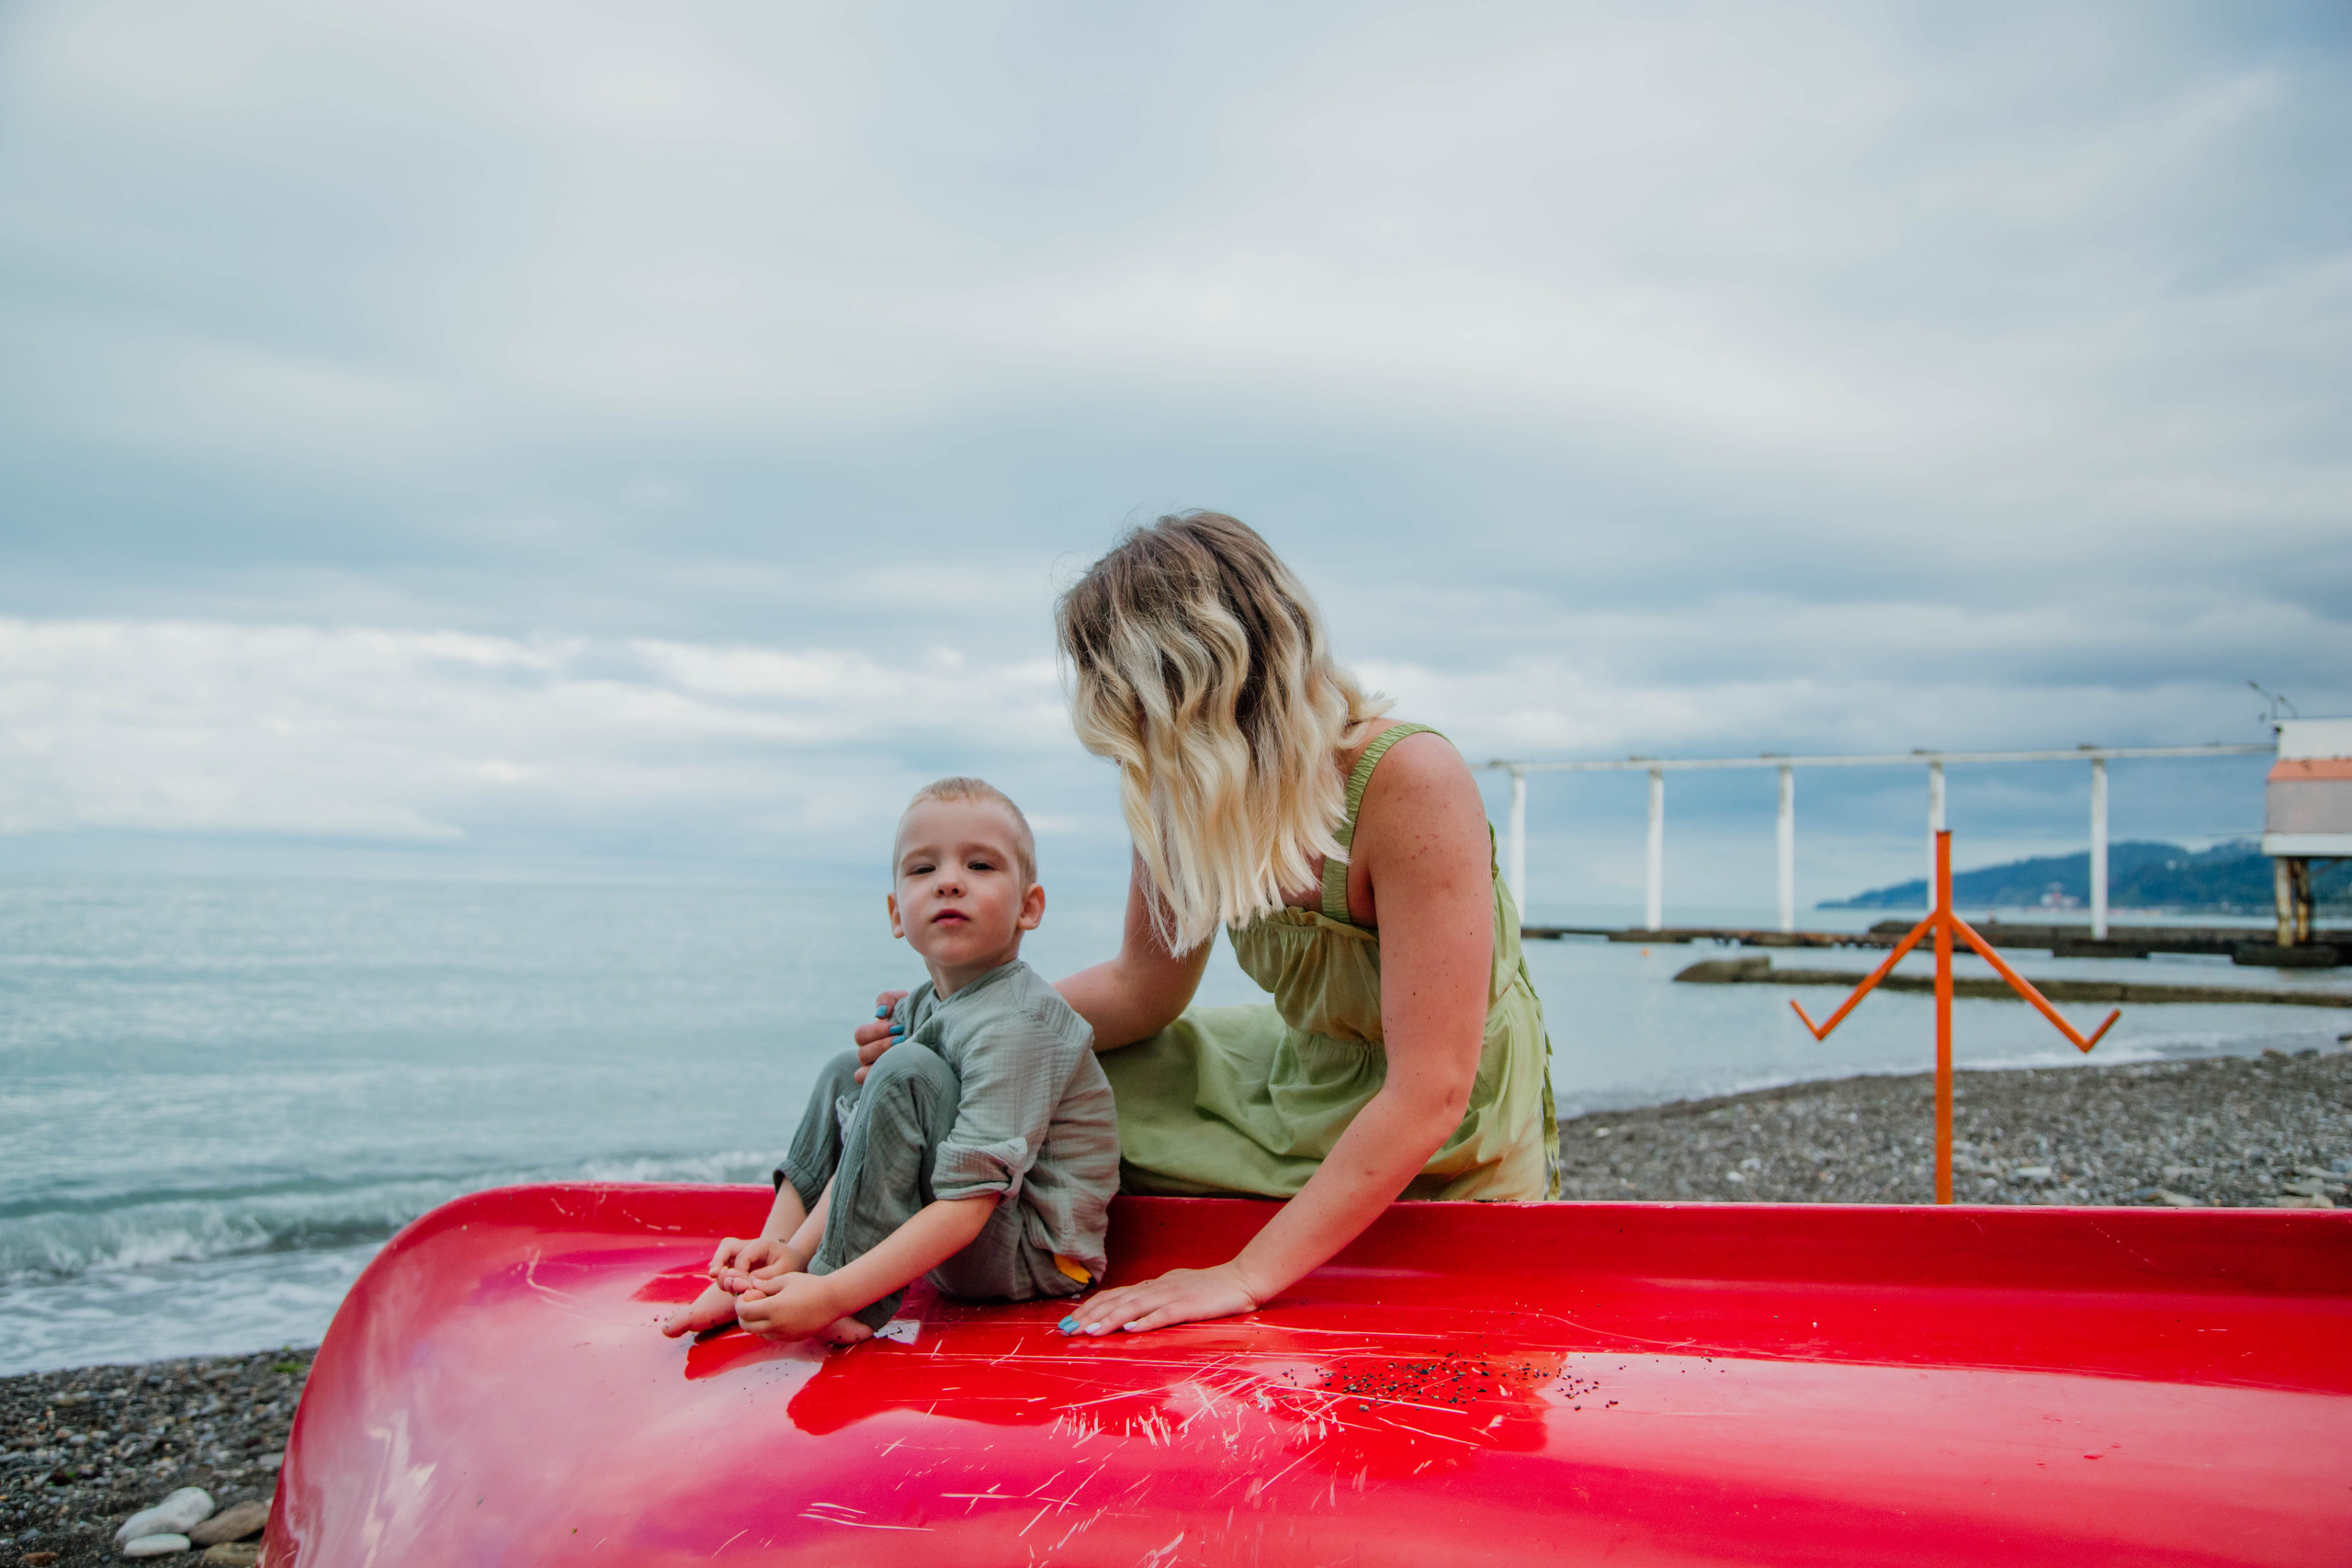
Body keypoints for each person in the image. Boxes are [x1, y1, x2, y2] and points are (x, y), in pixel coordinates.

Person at [856, 512, 1556, 1337]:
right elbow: (1142, 987)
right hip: (1303, 1069)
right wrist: (960, 1027)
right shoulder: (1182, 787)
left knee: (1032, 1087)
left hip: (1437, 1113)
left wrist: (1243, 1274)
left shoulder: (1408, 780)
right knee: (1038, 1075)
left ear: (1189, 690)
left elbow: (1431, 1091)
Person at [662, 777, 1118, 1344]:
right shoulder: (927, 1005)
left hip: (1034, 1257)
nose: (949, 882)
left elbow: (969, 1207)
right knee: (844, 1074)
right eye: (923, 870)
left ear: (1029, 907)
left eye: (980, 866)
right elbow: (864, 1135)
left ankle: (834, 1290)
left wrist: (832, 1293)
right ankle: (767, 1267)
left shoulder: (1022, 1021)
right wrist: (797, 1250)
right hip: (964, 1238)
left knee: (899, 1070)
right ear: (896, 913)